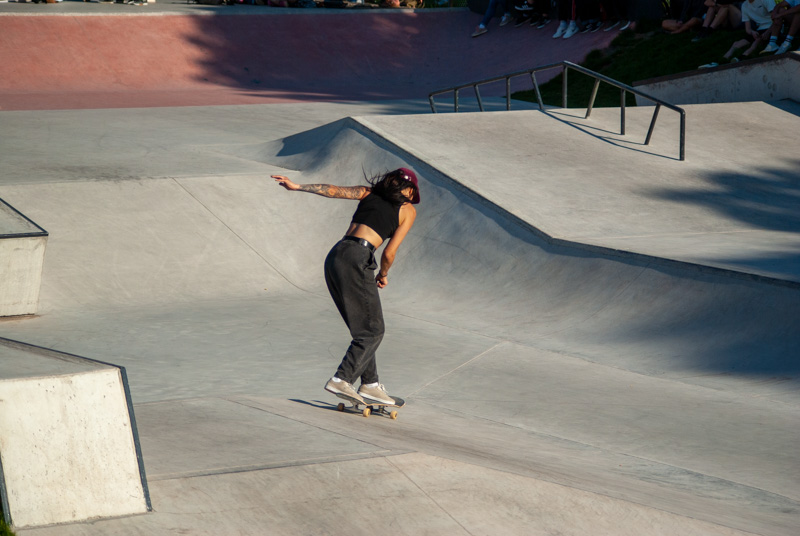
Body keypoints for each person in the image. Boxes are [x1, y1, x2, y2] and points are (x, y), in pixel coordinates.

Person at [273, 168, 420, 405]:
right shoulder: (408, 209)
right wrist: (383, 274)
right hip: (358, 257)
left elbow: (332, 190)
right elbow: (389, 253)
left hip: (336, 255)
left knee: (362, 329)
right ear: (410, 190)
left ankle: (370, 384)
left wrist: (297, 186)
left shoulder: (368, 192)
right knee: (374, 331)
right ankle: (342, 379)